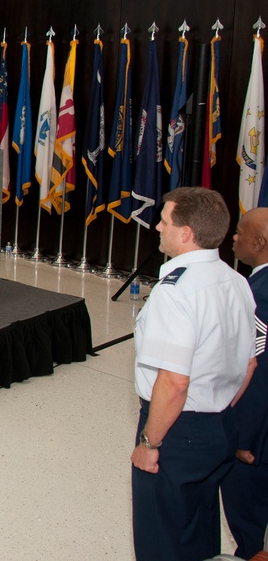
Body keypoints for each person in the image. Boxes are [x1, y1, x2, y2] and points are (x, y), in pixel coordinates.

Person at [130, 187, 257, 561]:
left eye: (164, 221)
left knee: (162, 543)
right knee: (198, 538)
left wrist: (150, 445)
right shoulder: (237, 282)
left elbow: (174, 382)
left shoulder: (176, 292)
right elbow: (249, 364)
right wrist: (217, 410)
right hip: (221, 424)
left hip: (176, 431)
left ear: (185, 233)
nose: (157, 228)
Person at [223, 207, 268, 559]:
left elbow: (257, 371)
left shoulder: (259, 294)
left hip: (258, 439)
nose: (234, 237)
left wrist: (243, 436)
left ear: (260, 242)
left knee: (249, 515)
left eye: (240, 232)